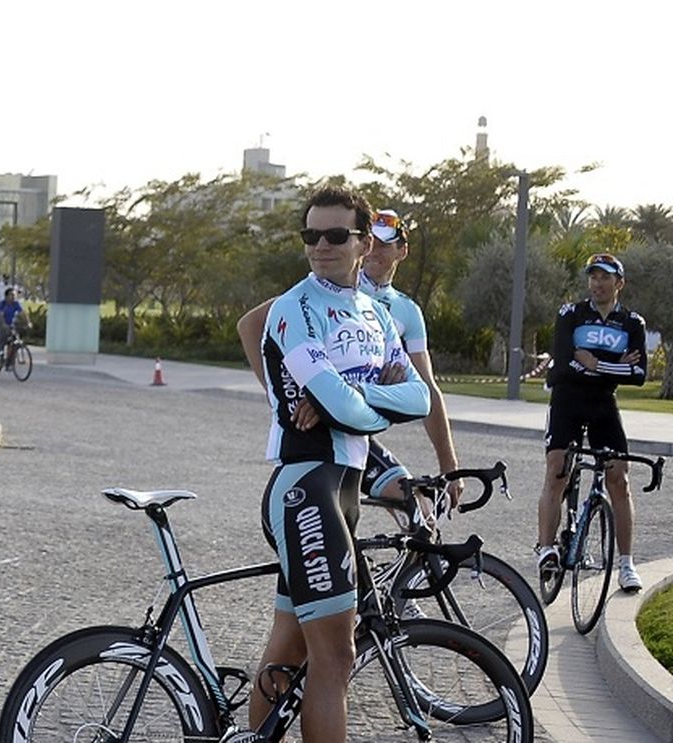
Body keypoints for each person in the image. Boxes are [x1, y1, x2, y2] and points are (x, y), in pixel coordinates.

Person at [247, 186, 429, 741]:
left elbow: (419, 398)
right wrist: (358, 396)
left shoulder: (375, 313)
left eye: (334, 235)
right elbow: (341, 400)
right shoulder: (294, 308)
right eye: (311, 235)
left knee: (290, 650)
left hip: (345, 488)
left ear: (362, 240)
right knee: (337, 658)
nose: (320, 246)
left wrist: (343, 401)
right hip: (307, 487)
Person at [237, 209, 464, 516]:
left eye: (387, 245)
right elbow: (251, 325)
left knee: (419, 509)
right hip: (326, 436)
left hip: (361, 430)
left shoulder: (406, 310)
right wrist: (285, 393)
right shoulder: (331, 283)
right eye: (376, 243)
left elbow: (426, 390)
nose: (377, 253)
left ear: (402, 251)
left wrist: (449, 466)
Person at [536, 252, 648, 591]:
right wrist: (615, 365)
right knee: (557, 469)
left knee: (619, 479)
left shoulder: (632, 323)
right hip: (567, 400)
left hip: (603, 403)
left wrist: (596, 365)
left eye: (605, 277)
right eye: (593, 277)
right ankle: (546, 548)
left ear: (619, 283)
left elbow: (640, 374)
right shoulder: (571, 313)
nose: (598, 283)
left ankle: (627, 564)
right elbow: (563, 364)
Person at [0, 287, 30, 369]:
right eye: (11, 295)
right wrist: (4, 324)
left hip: (10, 325)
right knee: (3, 338)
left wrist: (28, 322)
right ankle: (1, 354)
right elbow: (0, 315)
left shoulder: (15, 304)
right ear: (6, 296)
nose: (13, 297)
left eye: (14, 295)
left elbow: (22, 313)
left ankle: (9, 362)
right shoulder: (2, 304)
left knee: (14, 341)